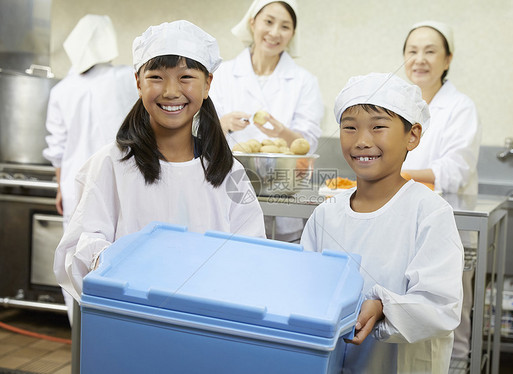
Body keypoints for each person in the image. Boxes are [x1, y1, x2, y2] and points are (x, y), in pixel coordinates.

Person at [53, 20, 266, 303]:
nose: (170, 91)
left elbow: (252, 253)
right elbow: (79, 247)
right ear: (138, 83)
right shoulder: (111, 164)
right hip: (129, 318)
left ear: (208, 84)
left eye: (186, 77)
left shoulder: (229, 173)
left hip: (206, 321)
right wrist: (120, 266)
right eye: (156, 77)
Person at [300, 73, 463, 373]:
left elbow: (440, 307)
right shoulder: (327, 215)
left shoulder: (428, 212)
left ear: (412, 135)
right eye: (349, 128)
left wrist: (383, 307)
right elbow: (306, 287)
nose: (362, 141)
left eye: (378, 127)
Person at [43, 14, 138, 324]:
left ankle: (79, 343)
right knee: (117, 263)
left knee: (75, 263)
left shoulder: (62, 90)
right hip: (118, 187)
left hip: (74, 189)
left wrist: (60, 188)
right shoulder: (124, 78)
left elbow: (57, 148)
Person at [401, 21, 482, 364]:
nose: (420, 59)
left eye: (430, 51)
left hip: (452, 222)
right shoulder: (398, 102)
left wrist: (396, 176)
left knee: (452, 309)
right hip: (405, 220)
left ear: (447, 60)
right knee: (409, 302)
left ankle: (457, 366)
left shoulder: (461, 107)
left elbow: (454, 170)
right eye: (412, 51)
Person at [209, 0, 324, 242]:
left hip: (283, 197)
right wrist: (223, 123)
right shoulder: (222, 74)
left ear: (292, 33)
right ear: (252, 23)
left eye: (285, 26)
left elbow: (308, 144)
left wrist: (281, 132)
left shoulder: (304, 81)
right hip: (228, 192)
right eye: (268, 22)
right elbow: (199, 132)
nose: (274, 33)